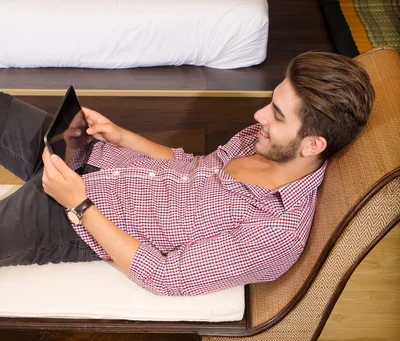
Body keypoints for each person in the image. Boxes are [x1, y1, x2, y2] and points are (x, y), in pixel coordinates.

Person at [0, 51, 375, 296]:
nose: (260, 115)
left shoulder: (278, 231)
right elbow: (193, 166)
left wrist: (79, 204)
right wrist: (121, 136)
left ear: (313, 145)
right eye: (271, 103)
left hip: (73, 220)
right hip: (92, 153)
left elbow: (167, 277)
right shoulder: (261, 142)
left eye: (277, 114)